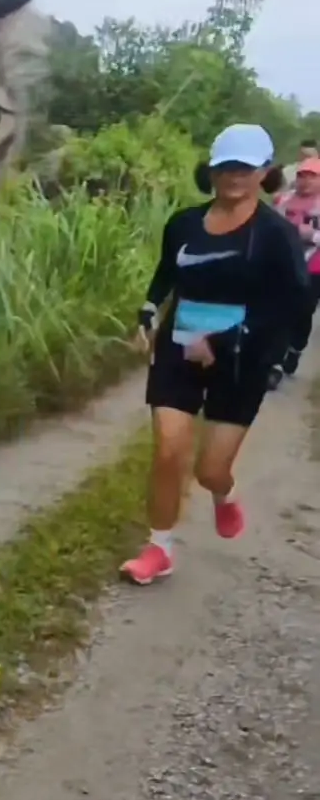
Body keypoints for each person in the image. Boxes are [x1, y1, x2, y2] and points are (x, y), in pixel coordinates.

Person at [121, 122, 310, 586]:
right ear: (211, 169)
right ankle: (159, 548)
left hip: (243, 359)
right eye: (225, 166)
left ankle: (223, 494)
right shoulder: (184, 223)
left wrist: (224, 341)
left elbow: (292, 304)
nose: (234, 175)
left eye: (245, 167)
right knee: (168, 449)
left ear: (264, 171)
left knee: (209, 470)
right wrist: (147, 313)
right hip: (179, 347)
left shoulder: (276, 236)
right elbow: (168, 273)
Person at [274, 151, 320, 376]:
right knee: (279, 310)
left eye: (312, 176)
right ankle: (274, 362)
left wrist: (310, 235)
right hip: (283, 265)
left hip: (313, 268)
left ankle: (294, 351)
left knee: (303, 313)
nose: (306, 180)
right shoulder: (284, 200)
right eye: (302, 175)